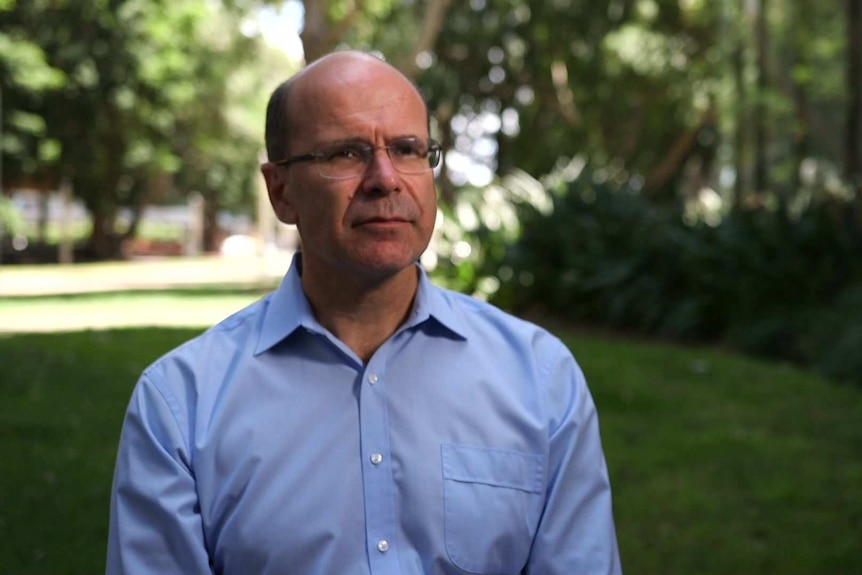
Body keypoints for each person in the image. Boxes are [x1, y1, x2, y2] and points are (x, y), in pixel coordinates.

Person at [106, 50, 622, 575]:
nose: (384, 178)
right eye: (345, 154)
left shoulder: (540, 379)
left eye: (406, 149)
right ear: (281, 191)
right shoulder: (182, 405)